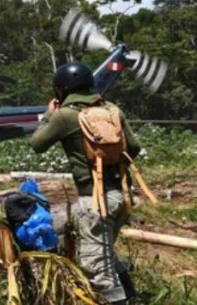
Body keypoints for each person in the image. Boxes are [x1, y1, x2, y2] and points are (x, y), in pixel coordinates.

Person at [30, 62, 140, 304]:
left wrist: (50, 114)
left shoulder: (65, 116)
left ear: (62, 90)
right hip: (123, 196)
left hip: (95, 202)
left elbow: (37, 144)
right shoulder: (112, 110)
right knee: (106, 253)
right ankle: (132, 297)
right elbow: (134, 147)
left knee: (96, 268)